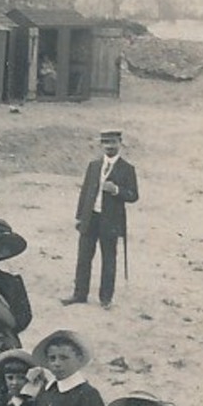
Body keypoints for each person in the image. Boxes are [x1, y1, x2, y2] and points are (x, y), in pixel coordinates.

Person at [63, 128, 140, 309]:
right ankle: (79, 294)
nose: (109, 146)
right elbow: (85, 192)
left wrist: (117, 190)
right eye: (106, 142)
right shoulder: (94, 166)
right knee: (83, 258)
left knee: (109, 260)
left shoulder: (127, 169)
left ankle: (106, 299)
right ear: (101, 144)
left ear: (120, 144)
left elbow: (134, 195)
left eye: (113, 142)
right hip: (91, 218)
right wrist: (79, 216)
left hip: (111, 221)